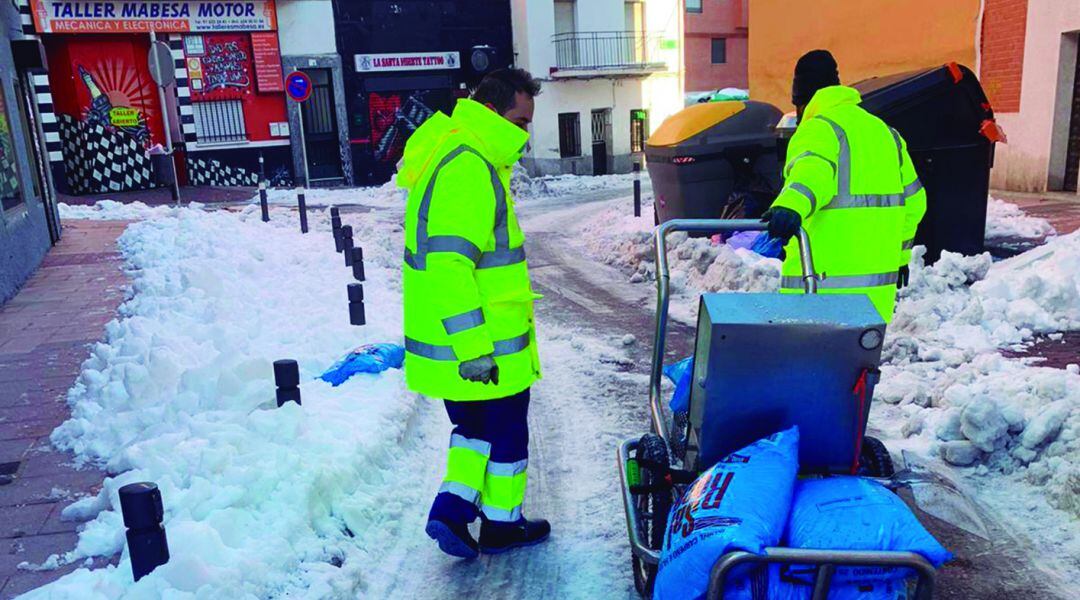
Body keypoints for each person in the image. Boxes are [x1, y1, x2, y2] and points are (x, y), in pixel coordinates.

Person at [397, 68, 549, 559]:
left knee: (475, 431)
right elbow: (448, 266)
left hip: (469, 347)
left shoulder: (460, 154)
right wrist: (475, 350)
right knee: (503, 435)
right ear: (490, 112)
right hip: (483, 349)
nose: (525, 136)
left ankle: (455, 511)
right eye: (520, 122)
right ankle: (495, 523)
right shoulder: (468, 166)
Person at [762, 50, 927, 321]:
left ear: (802, 101)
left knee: (806, 363)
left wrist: (788, 207)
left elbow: (811, 173)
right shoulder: (887, 134)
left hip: (820, 293)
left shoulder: (819, 128)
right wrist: (900, 257)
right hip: (875, 299)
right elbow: (915, 202)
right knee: (857, 363)